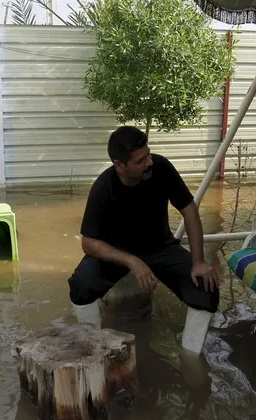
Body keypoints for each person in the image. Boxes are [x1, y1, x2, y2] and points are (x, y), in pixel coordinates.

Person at [68, 126, 219, 331]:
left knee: (206, 288)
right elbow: (88, 242)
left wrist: (198, 261)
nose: (149, 162)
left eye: (148, 155)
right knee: (81, 285)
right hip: (118, 253)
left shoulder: (161, 167)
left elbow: (189, 210)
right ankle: (92, 341)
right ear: (120, 165)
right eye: (140, 161)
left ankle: (191, 358)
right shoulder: (104, 188)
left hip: (161, 248)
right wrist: (132, 261)